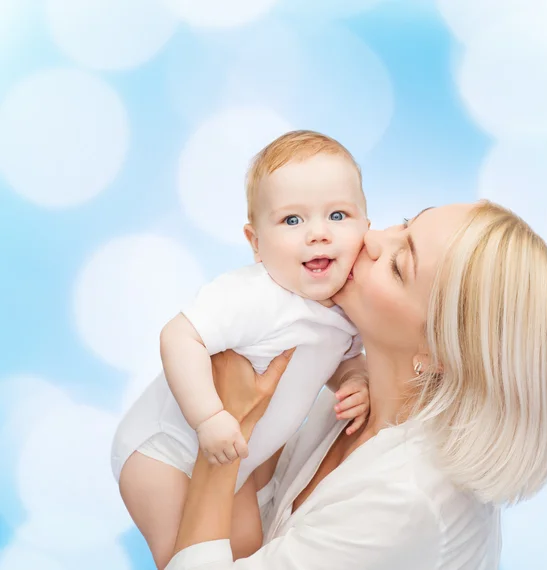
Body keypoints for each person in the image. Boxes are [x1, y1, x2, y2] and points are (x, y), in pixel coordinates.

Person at [164, 201, 547, 570]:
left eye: (398, 265)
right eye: (405, 224)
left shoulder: (407, 501)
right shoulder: (355, 397)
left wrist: (225, 435)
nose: (370, 238)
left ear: (438, 352)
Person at [112, 131, 373, 569]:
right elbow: (179, 336)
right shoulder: (255, 297)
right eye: (293, 220)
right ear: (256, 243)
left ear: (366, 224)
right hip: (163, 452)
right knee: (183, 552)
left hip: (237, 462)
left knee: (250, 551)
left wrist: (354, 380)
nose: (319, 234)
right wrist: (209, 416)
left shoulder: (348, 308)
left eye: (338, 214)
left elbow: (341, 357)